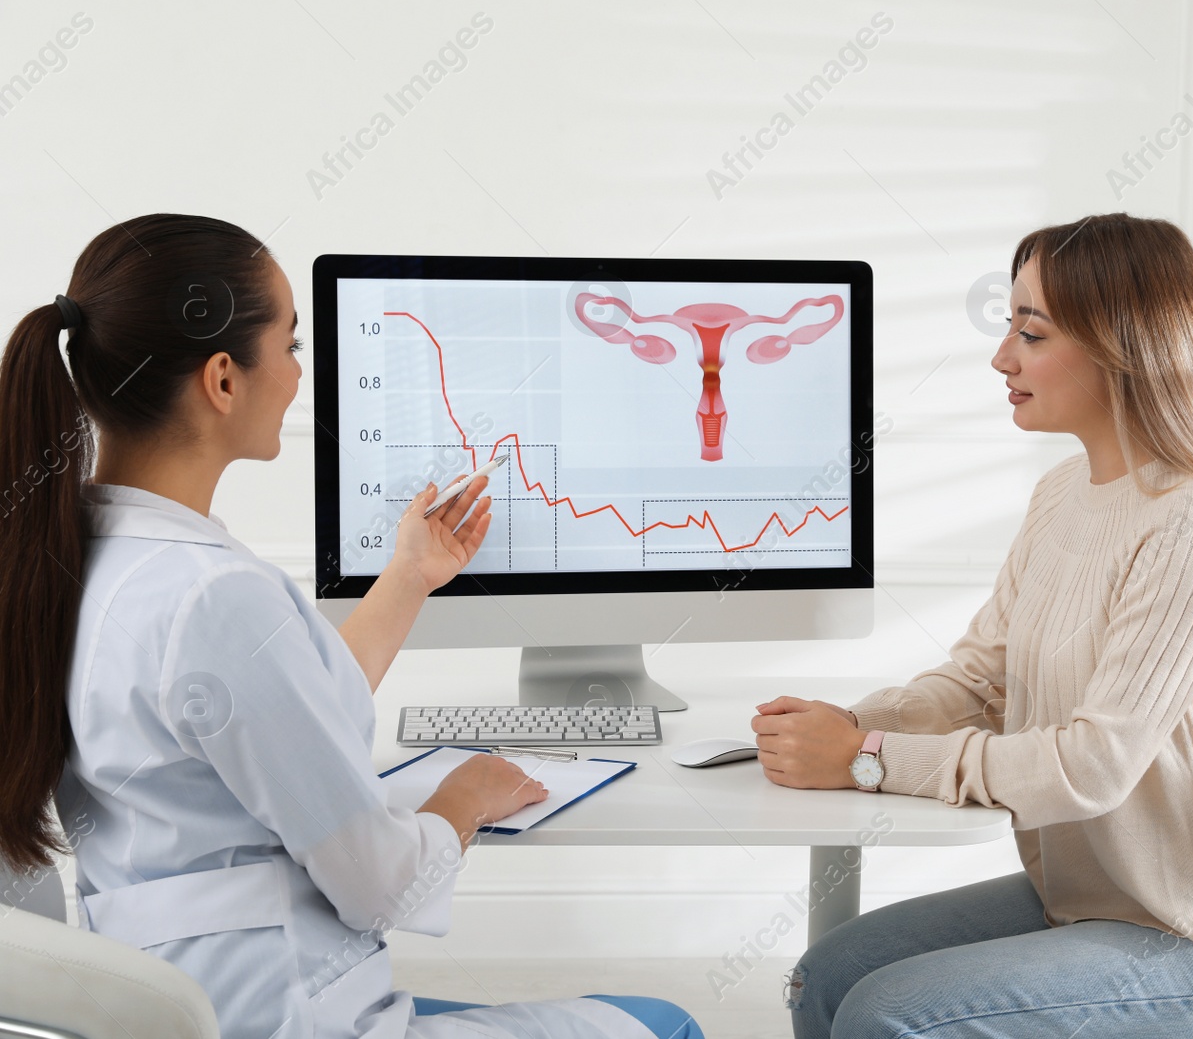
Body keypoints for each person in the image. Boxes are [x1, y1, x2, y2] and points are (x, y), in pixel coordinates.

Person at [0, 214, 703, 1039]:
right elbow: (380, 888)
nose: (301, 375)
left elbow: (278, 702)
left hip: (175, 1006)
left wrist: (408, 576)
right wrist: (462, 797)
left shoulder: (72, 553)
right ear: (223, 378)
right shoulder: (213, 595)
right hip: (288, 1017)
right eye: (292, 345)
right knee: (666, 1022)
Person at [752, 213, 1193, 1039]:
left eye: (1030, 332)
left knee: (888, 1018)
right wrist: (849, 724)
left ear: (1121, 348)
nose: (1002, 357)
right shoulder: (1064, 493)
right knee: (826, 978)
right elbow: (979, 681)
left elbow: (1091, 765)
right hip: (1106, 898)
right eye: (1009, 326)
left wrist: (865, 760)